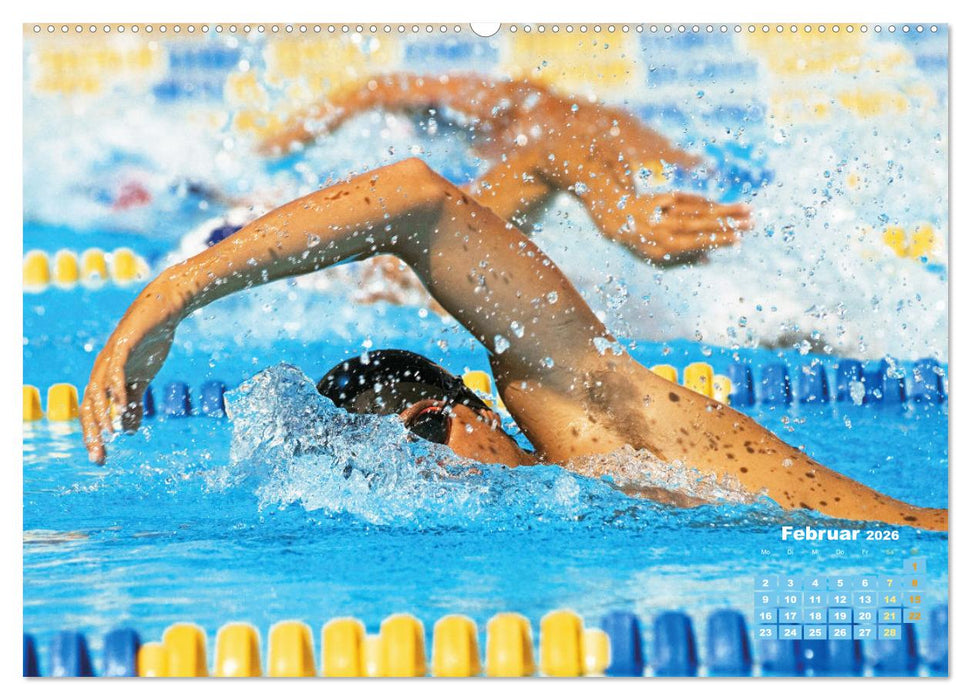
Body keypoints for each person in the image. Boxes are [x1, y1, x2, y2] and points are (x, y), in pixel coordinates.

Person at [80, 158, 947, 531]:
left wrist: (171, 294)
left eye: (425, 435)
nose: (432, 475)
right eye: (380, 471)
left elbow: (417, 200)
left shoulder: (593, 422)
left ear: (474, 408)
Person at [260, 72, 752, 266]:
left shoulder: (541, 120)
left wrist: (621, 212)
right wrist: (271, 148)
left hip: (662, 190)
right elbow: (371, 89)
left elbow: (559, 149)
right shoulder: (502, 108)